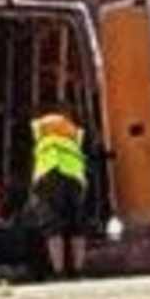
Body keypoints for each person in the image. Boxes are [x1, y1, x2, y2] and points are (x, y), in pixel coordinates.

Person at [28, 99, 91, 278]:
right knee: (76, 226)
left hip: (49, 173)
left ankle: (59, 271)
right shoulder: (73, 132)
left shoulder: (40, 127)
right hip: (74, 176)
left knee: (52, 226)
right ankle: (78, 270)